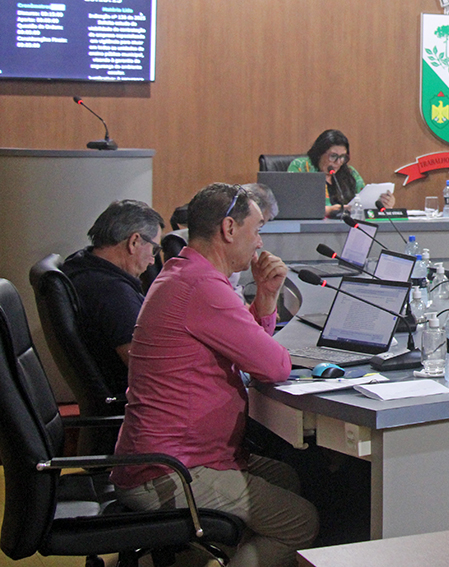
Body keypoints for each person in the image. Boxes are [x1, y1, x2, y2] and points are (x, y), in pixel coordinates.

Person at [111, 183, 318, 567]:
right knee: (301, 522)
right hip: (169, 469)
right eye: (256, 230)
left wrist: (266, 298)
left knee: (286, 478)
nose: (259, 242)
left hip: (169, 456)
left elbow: (240, 344)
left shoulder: (185, 273)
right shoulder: (203, 287)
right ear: (228, 229)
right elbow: (273, 366)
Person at [61, 200, 164, 393]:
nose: (152, 261)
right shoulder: (113, 293)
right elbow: (146, 369)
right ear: (134, 242)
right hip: (135, 406)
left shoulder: (79, 264)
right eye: (154, 250)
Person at [288, 129, 394, 218]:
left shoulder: (350, 173)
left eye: (343, 157)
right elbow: (291, 203)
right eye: (333, 156)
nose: (338, 162)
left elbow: (363, 201)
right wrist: (327, 210)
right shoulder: (301, 166)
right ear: (319, 153)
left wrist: (382, 204)